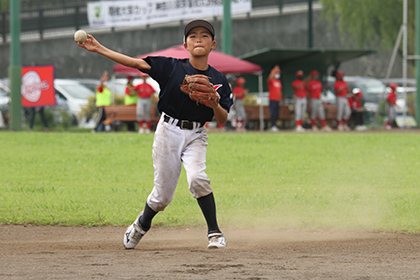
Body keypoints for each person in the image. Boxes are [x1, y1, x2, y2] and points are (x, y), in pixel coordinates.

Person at [77, 19, 232, 249]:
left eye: (204, 36)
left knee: (198, 179)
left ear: (213, 44)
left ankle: (215, 232)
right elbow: (133, 62)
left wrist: (215, 103)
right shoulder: (171, 67)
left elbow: (222, 119)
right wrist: (98, 48)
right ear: (185, 45)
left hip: (197, 135)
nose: (198, 39)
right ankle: (141, 225)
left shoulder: (219, 81)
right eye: (193, 36)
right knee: (162, 197)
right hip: (168, 131)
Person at [267, 65, 282, 132]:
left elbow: (280, 91)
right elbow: (270, 77)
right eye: (276, 73)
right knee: (272, 113)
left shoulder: (279, 82)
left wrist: (281, 99)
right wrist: (274, 70)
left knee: (276, 113)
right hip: (272, 99)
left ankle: (275, 125)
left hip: (278, 100)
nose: (277, 75)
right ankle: (272, 126)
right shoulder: (271, 81)